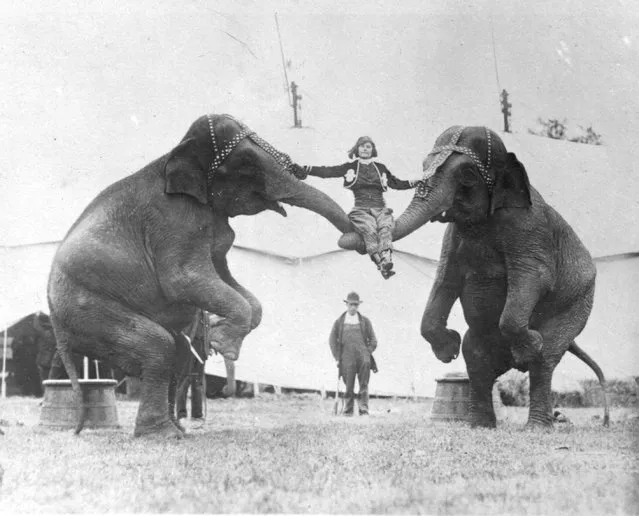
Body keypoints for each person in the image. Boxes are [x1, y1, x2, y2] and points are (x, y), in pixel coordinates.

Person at [296, 136, 419, 279]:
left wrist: (415, 183)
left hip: (380, 209)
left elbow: (396, 183)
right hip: (361, 210)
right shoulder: (350, 167)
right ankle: (380, 263)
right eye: (362, 146)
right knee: (369, 228)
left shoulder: (381, 168)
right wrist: (305, 169)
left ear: (373, 150)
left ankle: (387, 259)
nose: (365, 149)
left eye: (368, 146)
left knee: (385, 227)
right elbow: (328, 171)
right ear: (357, 149)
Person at [329, 292, 378, 416]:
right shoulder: (339, 322)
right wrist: (337, 357)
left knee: (363, 385)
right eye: (351, 304)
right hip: (346, 357)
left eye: (356, 305)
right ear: (346, 304)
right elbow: (332, 340)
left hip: (363, 358)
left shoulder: (365, 321)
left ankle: (364, 410)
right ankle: (348, 410)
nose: (353, 308)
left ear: (358, 305)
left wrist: (367, 353)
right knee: (348, 385)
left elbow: (373, 340)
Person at [176, 309, 210, 422]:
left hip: (201, 348)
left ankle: (197, 415)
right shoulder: (188, 311)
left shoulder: (205, 314)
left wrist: (207, 346)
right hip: (189, 347)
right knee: (184, 380)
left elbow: (206, 332)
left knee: (197, 382)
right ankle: (181, 415)